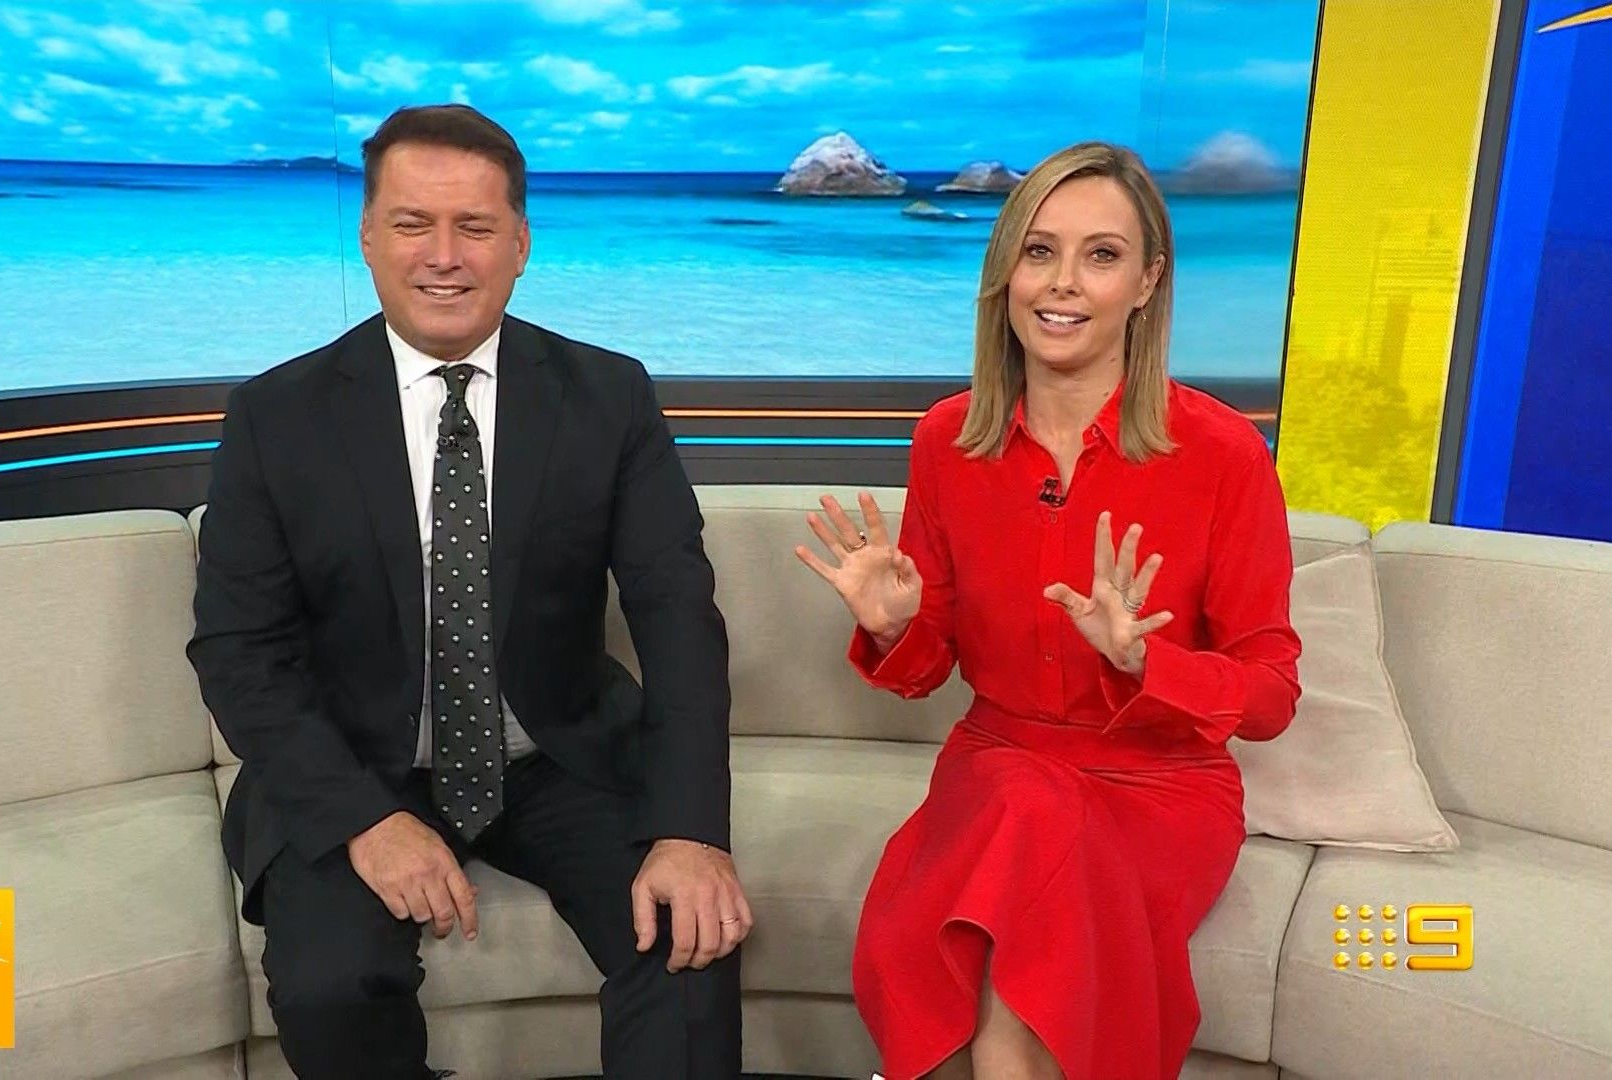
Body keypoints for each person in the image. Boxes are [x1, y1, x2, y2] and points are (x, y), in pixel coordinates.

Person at [188, 103, 747, 1080]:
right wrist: (364, 822)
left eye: (475, 227)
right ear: (368, 237)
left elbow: (677, 619)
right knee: (330, 985)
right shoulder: (276, 416)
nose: (443, 257)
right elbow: (240, 653)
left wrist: (693, 830)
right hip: (355, 764)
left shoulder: (608, 396)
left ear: (520, 244)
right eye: (413, 224)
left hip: (559, 754)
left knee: (689, 944)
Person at [795, 142, 1302, 1080]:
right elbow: (928, 669)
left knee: (1013, 918)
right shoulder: (950, 440)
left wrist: (1147, 663)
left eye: (1101, 255)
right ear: (1007, 275)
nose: (1063, 283)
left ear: (1147, 281)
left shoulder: (1223, 454)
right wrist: (895, 625)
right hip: (999, 764)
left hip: (1158, 788)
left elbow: (1271, 696)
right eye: (1039, 251)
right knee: (1026, 818)